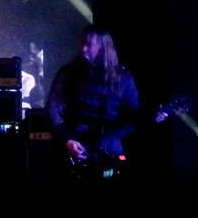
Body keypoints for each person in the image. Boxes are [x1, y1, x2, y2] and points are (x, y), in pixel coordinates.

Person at [47, 25, 156, 177]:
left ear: (103, 47)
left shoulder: (122, 76)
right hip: (75, 142)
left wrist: (156, 115)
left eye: (89, 45)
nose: (83, 49)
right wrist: (68, 140)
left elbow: (134, 113)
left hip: (109, 146)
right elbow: (53, 109)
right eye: (82, 43)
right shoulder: (68, 73)